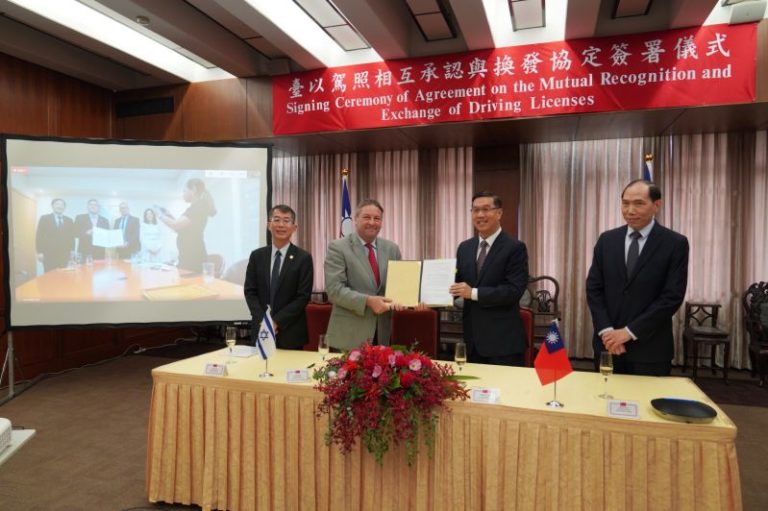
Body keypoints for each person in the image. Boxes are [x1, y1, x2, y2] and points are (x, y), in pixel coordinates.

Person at [586, 179, 689, 376]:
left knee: (647, 404)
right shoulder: (607, 240)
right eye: (625, 203)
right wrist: (607, 331)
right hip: (608, 345)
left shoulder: (675, 243)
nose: (630, 210)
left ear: (656, 205)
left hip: (650, 349)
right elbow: (594, 289)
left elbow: (672, 297)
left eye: (639, 203)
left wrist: (629, 332)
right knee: (603, 402)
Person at [450, 191, 530, 366]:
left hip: (503, 343)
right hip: (473, 342)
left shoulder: (515, 248)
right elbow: (455, 286)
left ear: (499, 213)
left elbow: (514, 290)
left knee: (507, 392)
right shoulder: (464, 248)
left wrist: (474, 293)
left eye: (486, 209)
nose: (480, 215)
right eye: (475, 210)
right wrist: (428, 299)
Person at [324, 199, 401, 350]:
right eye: (367, 217)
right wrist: (368, 301)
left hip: (382, 334)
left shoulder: (392, 249)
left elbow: (399, 286)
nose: (372, 222)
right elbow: (334, 291)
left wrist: (415, 300)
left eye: (377, 218)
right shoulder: (338, 247)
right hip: (348, 336)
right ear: (356, 219)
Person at [244, 205, 313, 349]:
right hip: (261, 329)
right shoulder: (257, 256)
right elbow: (250, 291)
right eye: (277, 220)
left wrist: (275, 322)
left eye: (286, 220)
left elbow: (303, 296)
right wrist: (263, 320)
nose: (281, 225)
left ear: (294, 227)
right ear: (269, 225)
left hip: (291, 333)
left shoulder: (303, 258)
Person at [158, 178, 216, 272]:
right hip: (188, 256)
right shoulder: (195, 207)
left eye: (184, 191)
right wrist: (169, 216)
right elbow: (180, 228)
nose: (183, 194)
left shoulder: (199, 206)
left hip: (193, 257)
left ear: (193, 190)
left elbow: (175, 225)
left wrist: (159, 215)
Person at [35, 198, 75, 272]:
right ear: (52, 206)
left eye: (62, 205)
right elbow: (39, 236)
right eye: (57, 204)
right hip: (49, 254)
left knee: (64, 276)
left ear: (64, 207)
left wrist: (72, 250)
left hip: (64, 254)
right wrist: (39, 252)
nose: (59, 206)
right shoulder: (44, 218)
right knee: (49, 276)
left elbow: (71, 237)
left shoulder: (69, 220)